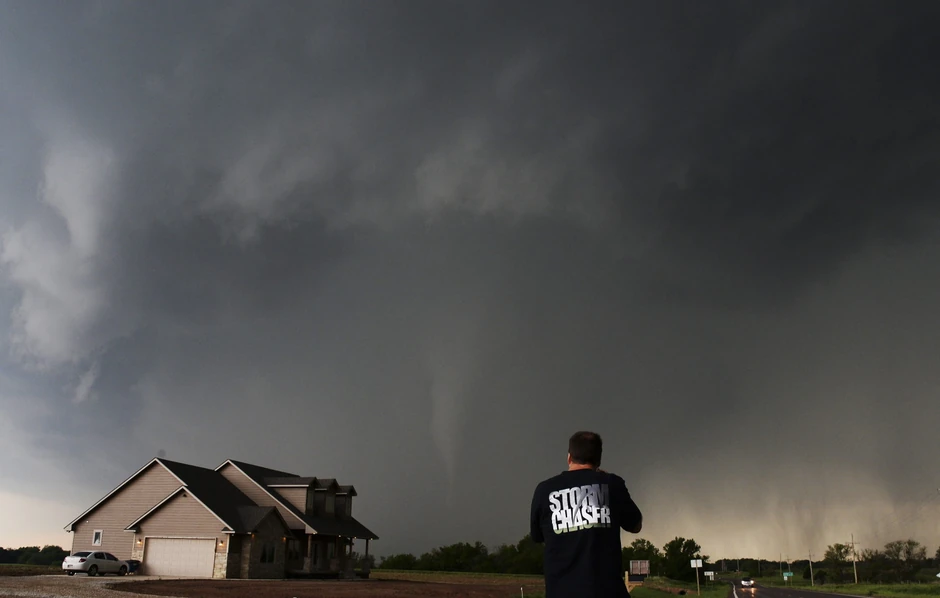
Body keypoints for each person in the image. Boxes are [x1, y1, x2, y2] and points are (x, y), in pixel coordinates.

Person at [530, 431, 643, 597]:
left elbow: (537, 536)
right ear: (598, 460)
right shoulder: (612, 483)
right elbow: (636, 525)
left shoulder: (544, 490)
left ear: (569, 457)